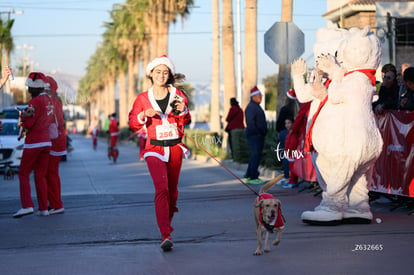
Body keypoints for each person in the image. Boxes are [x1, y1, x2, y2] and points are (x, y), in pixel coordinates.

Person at [128, 55, 191, 251]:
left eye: (165, 73)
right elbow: (132, 122)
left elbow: (185, 121)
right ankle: (166, 233)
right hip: (154, 148)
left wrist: (183, 111)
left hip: (174, 148)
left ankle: (167, 221)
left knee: (172, 193)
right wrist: (143, 115)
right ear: (151, 74)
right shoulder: (143, 98)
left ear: (169, 75)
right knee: (161, 188)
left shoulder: (178, 94)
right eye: (158, 72)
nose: (161, 76)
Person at [14, 72, 53, 218]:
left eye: (29, 87)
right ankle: (44, 208)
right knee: (40, 175)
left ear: (33, 88)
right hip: (46, 141)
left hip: (34, 142)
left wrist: (22, 118)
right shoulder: (49, 99)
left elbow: (29, 123)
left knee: (23, 173)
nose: (28, 90)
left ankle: (27, 205)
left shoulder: (34, 102)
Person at [45, 76, 66, 215]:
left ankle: (55, 204)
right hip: (58, 140)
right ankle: (55, 203)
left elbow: (52, 121)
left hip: (53, 141)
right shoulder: (56, 100)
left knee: (50, 173)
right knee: (53, 173)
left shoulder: (50, 101)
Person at [242, 86, 268, 185]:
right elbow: (251, 123)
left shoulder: (255, 106)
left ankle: (248, 175)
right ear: (254, 97)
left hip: (257, 135)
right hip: (255, 136)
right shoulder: (251, 107)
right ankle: (253, 176)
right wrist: (259, 132)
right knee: (255, 156)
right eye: (259, 96)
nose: (261, 98)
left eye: (261, 96)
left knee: (255, 156)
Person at [278, 117, 294, 187]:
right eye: (286, 123)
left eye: (289, 123)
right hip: (286, 151)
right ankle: (286, 176)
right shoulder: (283, 133)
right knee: (285, 161)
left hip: (292, 151)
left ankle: (290, 178)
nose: (287, 125)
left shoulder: (293, 132)